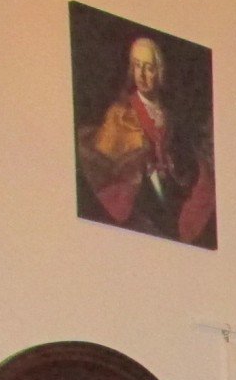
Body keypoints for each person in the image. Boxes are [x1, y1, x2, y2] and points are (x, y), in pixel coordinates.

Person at [77, 35, 214, 244]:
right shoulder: (121, 112)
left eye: (148, 68)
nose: (141, 74)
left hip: (171, 190)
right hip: (139, 196)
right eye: (137, 66)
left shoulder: (168, 116)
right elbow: (113, 157)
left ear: (159, 71)